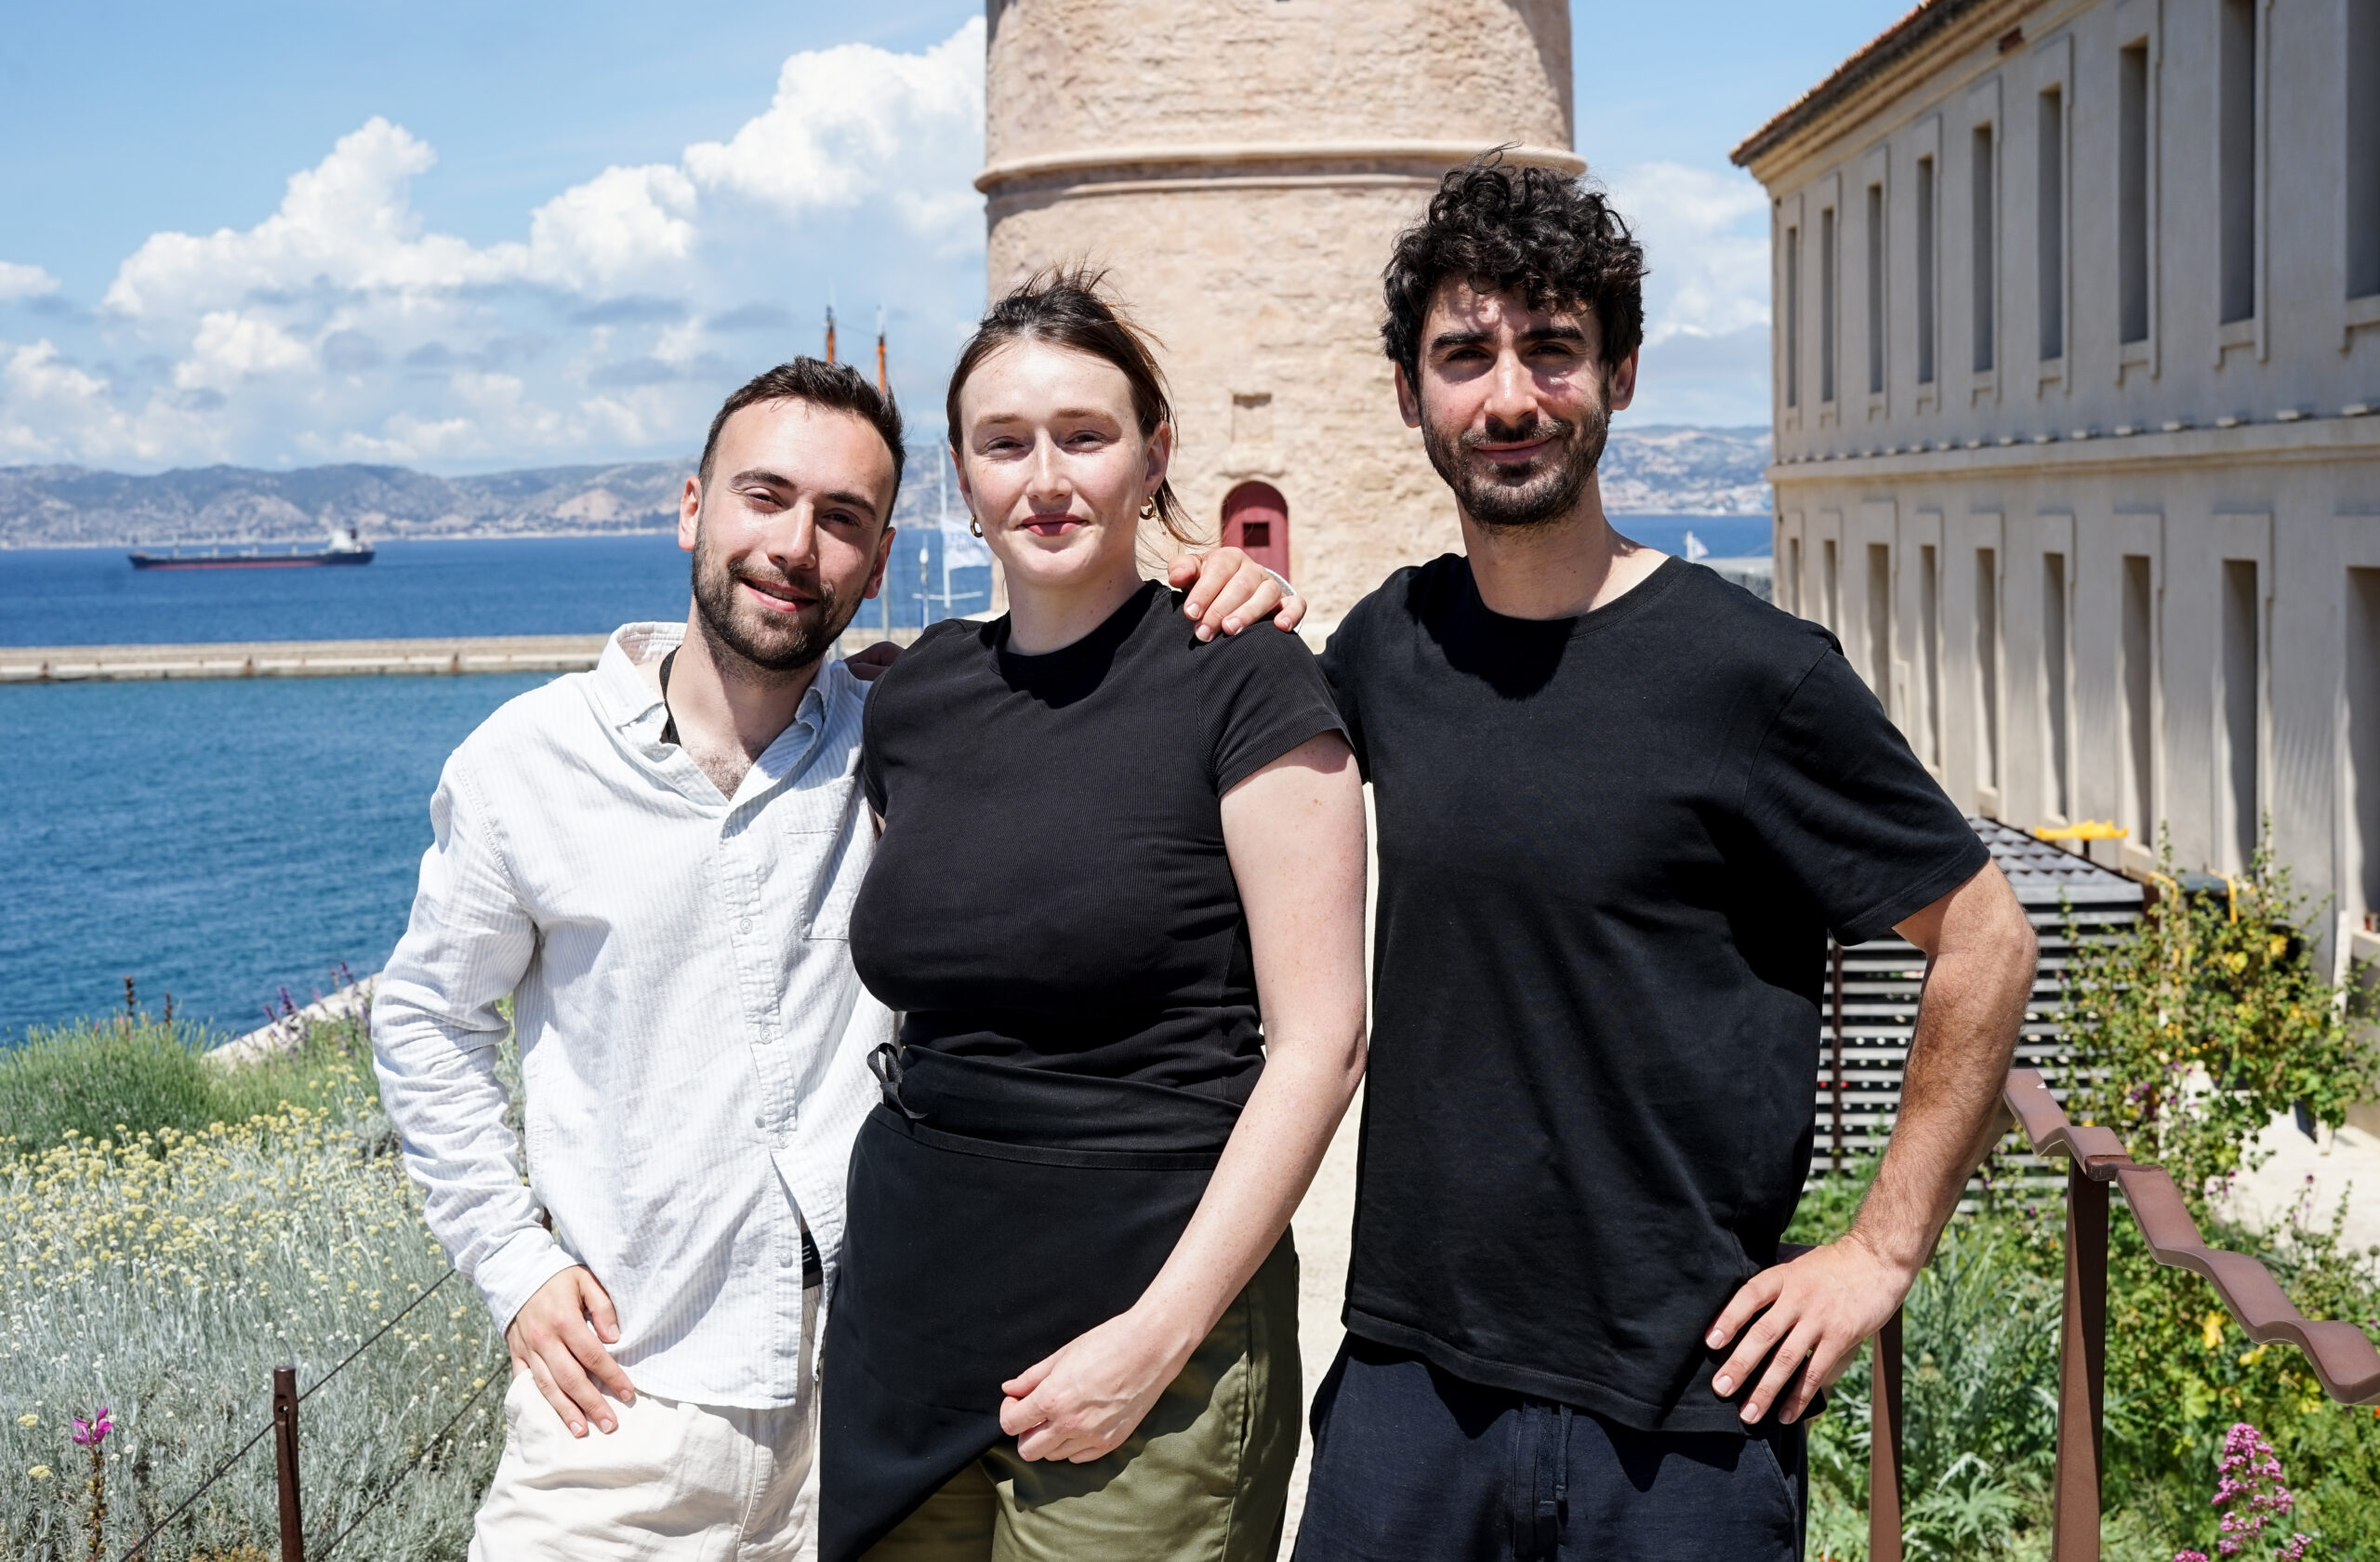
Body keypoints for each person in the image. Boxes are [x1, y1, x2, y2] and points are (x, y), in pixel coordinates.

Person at [371, 356, 1302, 1561]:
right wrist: (511, 1261)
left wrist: (1214, 585)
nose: (795, 547)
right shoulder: (527, 764)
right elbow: (426, 1020)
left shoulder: (905, 729)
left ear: (878, 557)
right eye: (764, 497)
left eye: (843, 518)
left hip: (864, 1398)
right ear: (692, 507)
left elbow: (1085, 702)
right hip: (624, 1404)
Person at [1255, 160, 2043, 1559]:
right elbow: (1248, 799)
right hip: (1410, 1394)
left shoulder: (1757, 676)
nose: (1511, 397)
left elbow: (1985, 937)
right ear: (1410, 395)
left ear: (1618, 374)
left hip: (1685, 1424)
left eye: (1553, 349)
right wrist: (1223, 602)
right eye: (1465, 356)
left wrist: (1882, 1248)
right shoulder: (1391, 642)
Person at [820, 274, 1368, 1562]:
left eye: (1085, 435)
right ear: (963, 478)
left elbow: (1324, 1044)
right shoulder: (914, 700)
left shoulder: (1242, 676)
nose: (1047, 479)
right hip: (912, 1320)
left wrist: (1160, 1336)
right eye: (1006, 444)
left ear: (1154, 456)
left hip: (1148, 1323)